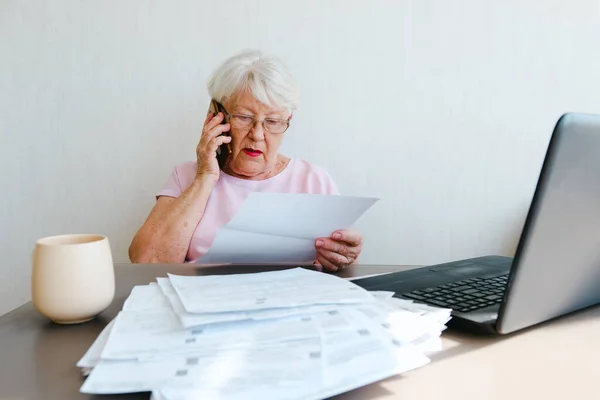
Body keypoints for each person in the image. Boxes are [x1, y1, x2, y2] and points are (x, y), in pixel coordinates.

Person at [128, 50, 363, 271]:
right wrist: (205, 178)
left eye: (272, 121)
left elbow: (336, 265)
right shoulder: (187, 177)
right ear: (215, 115)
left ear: (287, 120)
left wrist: (342, 255)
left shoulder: (314, 181)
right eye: (244, 117)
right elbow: (147, 261)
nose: (258, 134)